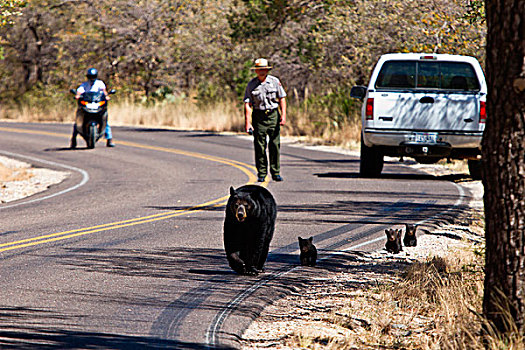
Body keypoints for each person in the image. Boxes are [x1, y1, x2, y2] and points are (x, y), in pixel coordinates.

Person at [244, 58, 287, 182]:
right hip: (259, 116)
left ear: (267, 70)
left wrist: (283, 115)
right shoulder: (251, 85)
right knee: (260, 146)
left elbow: (282, 98)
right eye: (259, 70)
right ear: (256, 71)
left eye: (264, 69)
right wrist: (248, 123)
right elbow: (248, 104)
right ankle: (262, 173)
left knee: (274, 144)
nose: (262, 72)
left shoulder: (275, 82)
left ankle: (275, 172)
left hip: (273, 115)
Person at [71, 68, 115, 148]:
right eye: (90, 76)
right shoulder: (85, 84)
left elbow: (103, 91)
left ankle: (109, 139)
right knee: (78, 121)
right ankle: (73, 139)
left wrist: (106, 96)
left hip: (97, 104)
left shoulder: (100, 83)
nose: (92, 78)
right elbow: (79, 91)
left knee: (105, 119)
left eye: (93, 76)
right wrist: (78, 95)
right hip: (87, 105)